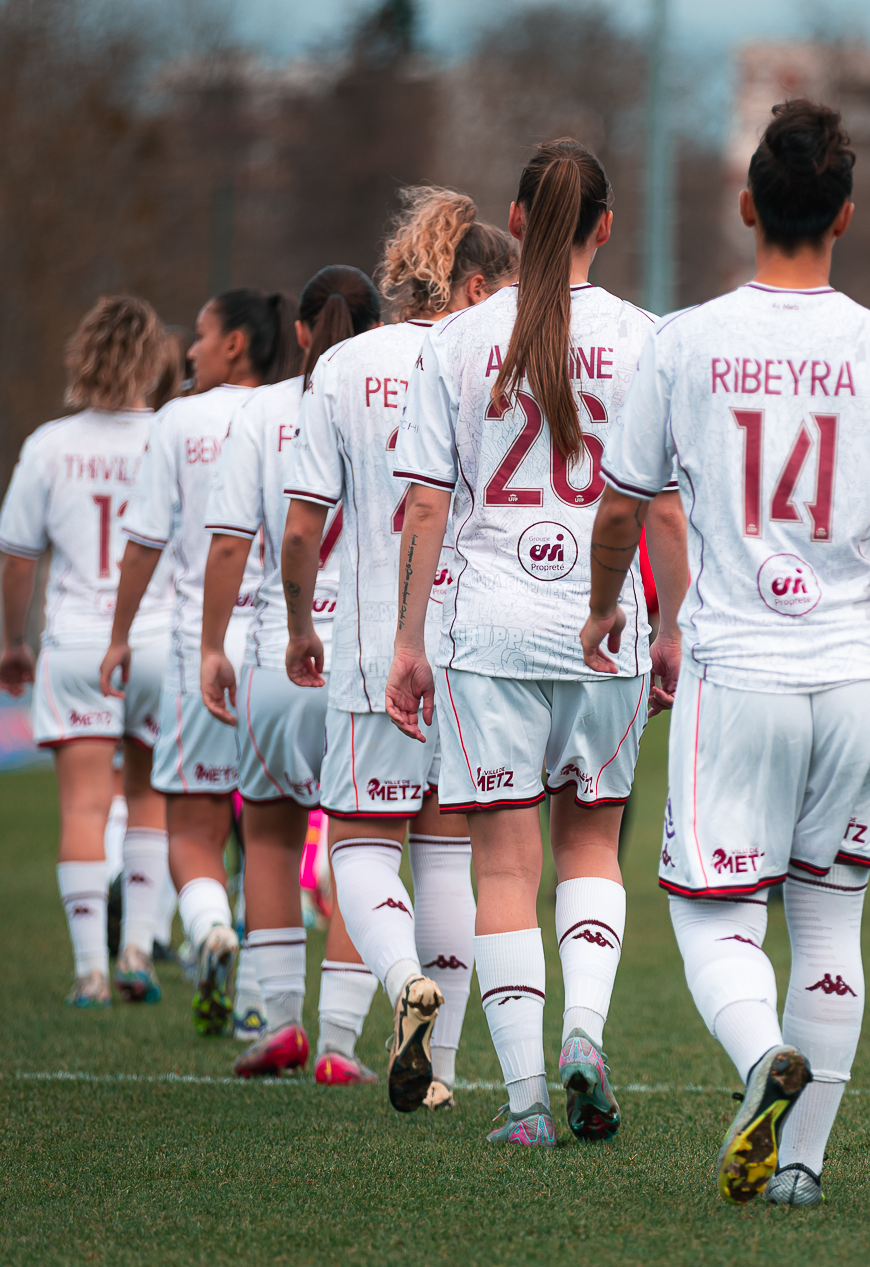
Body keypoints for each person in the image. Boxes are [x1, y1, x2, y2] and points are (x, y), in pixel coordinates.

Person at [585, 98, 870, 1206]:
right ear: (844, 214)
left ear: (748, 205)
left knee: (712, 915)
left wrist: (612, 604)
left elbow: (621, 505)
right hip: (859, 669)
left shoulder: (681, 339)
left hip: (736, 666)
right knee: (829, 917)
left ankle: (760, 1062)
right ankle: (799, 1166)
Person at [387, 143, 685, 1144]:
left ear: (513, 221)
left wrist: (405, 638)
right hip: (604, 625)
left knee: (504, 870)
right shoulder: (648, 340)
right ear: (605, 227)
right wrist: (673, 623)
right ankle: (585, 1039)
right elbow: (668, 513)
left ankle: (522, 1105)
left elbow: (424, 499)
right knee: (591, 844)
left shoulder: (456, 339)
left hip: (491, 629)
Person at [282, 189, 519, 1106]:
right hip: (469, 638)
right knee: (450, 853)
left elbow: (304, 528)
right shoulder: (483, 358)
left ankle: (399, 982)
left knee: (361, 843)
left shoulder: (342, 366)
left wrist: (302, 622)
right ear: (471, 280)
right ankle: (443, 1069)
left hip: (377, 637)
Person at [198, 265, 385, 1079]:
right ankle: (341, 1042)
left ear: (300, 332)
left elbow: (231, 542)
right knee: (361, 843)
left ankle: (279, 1019)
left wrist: (213, 644)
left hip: (281, 649)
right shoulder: (397, 404)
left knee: (267, 834)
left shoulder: (262, 411)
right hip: (368, 656)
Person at [101, 288, 297, 1036]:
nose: (189, 349)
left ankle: (210, 925)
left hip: (204, 649)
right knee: (275, 837)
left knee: (193, 826)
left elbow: (146, 540)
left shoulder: (179, 420)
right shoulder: (291, 410)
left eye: (203, 333)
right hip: (283, 642)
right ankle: (258, 1001)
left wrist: (120, 634)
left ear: (236, 344)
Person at [0, 295, 177, 1007]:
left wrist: (14, 641)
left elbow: (17, 557)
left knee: (83, 809)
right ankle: (137, 950)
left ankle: (89, 971)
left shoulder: (49, 444)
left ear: (85, 355)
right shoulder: (171, 435)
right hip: (157, 641)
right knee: (151, 800)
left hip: (75, 642)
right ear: (153, 359)